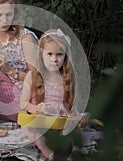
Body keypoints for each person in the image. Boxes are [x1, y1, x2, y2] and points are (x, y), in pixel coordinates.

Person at [19, 28, 87, 159]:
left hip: (60, 118)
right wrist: (35, 108)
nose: (54, 59)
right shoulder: (32, 76)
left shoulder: (67, 78)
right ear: (41, 54)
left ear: (65, 56)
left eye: (59, 55)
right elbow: (23, 103)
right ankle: (50, 155)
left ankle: (75, 154)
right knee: (38, 134)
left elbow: (70, 104)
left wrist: (77, 117)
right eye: (49, 54)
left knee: (73, 131)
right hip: (40, 120)